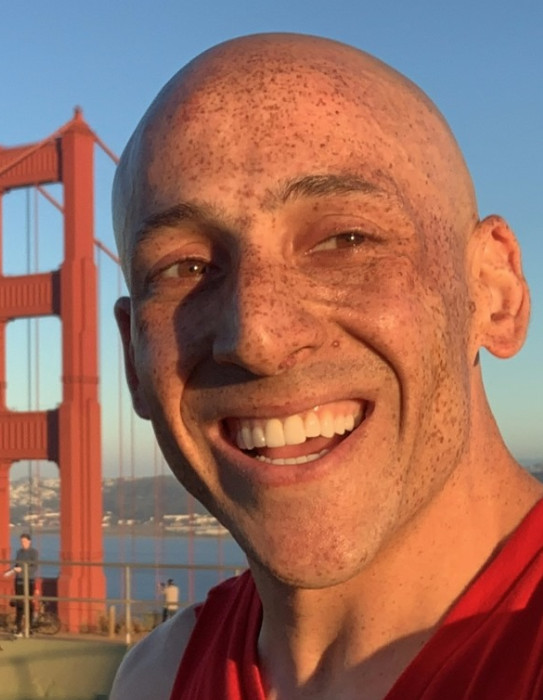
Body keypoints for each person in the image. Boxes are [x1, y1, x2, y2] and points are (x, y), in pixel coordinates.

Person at [109, 33, 542, 699]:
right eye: (184, 267)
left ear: (494, 294)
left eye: (344, 239)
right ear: (134, 361)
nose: (257, 335)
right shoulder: (153, 678)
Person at [11, 532, 38, 637]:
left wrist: (22, 570)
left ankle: (29, 628)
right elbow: (16, 565)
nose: (23, 543)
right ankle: (18, 629)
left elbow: (34, 567)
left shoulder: (34, 553)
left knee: (29, 604)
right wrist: (14, 570)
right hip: (19, 581)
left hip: (29, 580)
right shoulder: (19, 552)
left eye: (25, 541)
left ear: (29, 541)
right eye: (21, 541)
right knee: (19, 604)